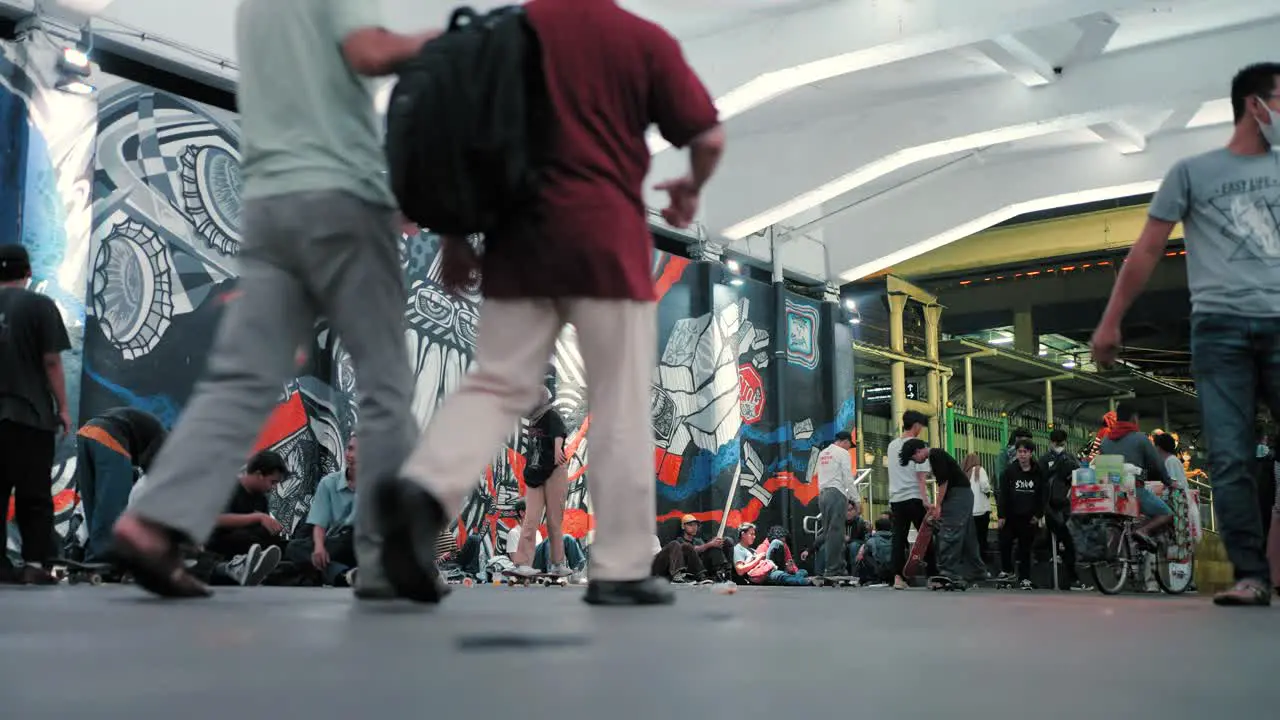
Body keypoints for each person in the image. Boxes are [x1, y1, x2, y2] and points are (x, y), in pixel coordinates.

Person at [373, 0, 725, 607]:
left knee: (497, 383)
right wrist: (688, 189)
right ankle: (618, 568)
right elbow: (708, 135)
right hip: (607, 242)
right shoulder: (640, 38)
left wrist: (456, 235)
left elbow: (468, 138)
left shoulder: (509, 28)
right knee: (618, 401)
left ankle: (424, 492)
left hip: (519, 239)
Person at [111, 0, 438, 599]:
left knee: (242, 378)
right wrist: (443, 40)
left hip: (269, 203)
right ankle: (387, 559)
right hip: (341, 199)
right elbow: (367, 52)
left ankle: (154, 521)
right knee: (386, 385)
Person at [1091, 63, 1280, 606]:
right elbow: (1146, 249)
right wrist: (1111, 318)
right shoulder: (1193, 172)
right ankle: (1251, 575)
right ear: (1255, 105)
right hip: (1218, 330)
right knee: (1229, 454)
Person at [0, 244, 71, 585]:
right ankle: (34, 565)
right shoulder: (41, 306)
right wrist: (64, 407)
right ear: (27, 272)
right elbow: (52, 361)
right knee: (34, 495)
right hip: (30, 416)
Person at [75, 407, 167, 563]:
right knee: (112, 504)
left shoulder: (150, 429)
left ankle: (92, 554)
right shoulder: (164, 440)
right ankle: (105, 557)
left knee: (92, 503)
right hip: (110, 437)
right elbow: (152, 475)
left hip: (85, 432)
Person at [508, 387, 574, 578]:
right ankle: (521, 564)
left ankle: (557, 563)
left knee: (554, 520)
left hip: (554, 470)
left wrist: (557, 449)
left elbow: (559, 432)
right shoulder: (533, 419)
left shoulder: (550, 414)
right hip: (535, 474)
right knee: (530, 518)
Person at [906, 441, 986, 584]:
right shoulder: (938, 455)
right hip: (964, 495)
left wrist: (938, 506)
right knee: (968, 535)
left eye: (914, 458)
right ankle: (977, 570)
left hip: (957, 496)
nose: (916, 462)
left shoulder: (935, 455)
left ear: (918, 451)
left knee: (950, 531)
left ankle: (948, 571)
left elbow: (943, 482)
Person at [1097, 403, 1173, 548]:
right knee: (1166, 513)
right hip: (1133, 491)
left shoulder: (1106, 440)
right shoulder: (1140, 439)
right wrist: (1168, 481)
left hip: (1109, 492)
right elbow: (1156, 464)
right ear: (1133, 418)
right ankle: (1143, 531)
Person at [286, 435, 359, 587]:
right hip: (335, 544)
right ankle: (344, 575)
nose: (352, 455)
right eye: (350, 449)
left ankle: (337, 574)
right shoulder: (329, 483)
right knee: (294, 547)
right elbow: (319, 523)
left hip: (361, 543)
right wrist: (319, 547)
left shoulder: (377, 484)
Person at [886, 410, 935, 589]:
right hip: (914, 496)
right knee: (926, 537)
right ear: (916, 425)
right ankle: (932, 576)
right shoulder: (918, 445)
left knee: (898, 538)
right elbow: (921, 477)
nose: (921, 429)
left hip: (896, 498)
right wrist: (926, 500)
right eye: (921, 426)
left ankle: (897, 578)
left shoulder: (892, 446)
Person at [1040, 429, 1085, 589]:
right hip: (1064, 509)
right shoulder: (1070, 458)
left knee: (1066, 539)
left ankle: (1065, 568)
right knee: (1069, 539)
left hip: (1055, 509)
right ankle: (1072, 578)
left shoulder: (1045, 459)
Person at [998, 438, 1045, 590]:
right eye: (1020, 452)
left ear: (1031, 453)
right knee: (1005, 543)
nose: (1022, 455)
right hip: (1011, 516)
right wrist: (1001, 515)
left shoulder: (1039, 472)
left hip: (1029, 517)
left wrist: (1038, 514)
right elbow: (1003, 494)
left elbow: (1043, 495)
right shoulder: (1009, 472)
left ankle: (1025, 578)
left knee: (1025, 548)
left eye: (1025, 452)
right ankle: (1007, 571)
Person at [815, 430, 860, 577]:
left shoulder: (823, 453)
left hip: (823, 494)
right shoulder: (842, 453)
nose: (848, 449)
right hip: (836, 493)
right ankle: (833, 569)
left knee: (829, 533)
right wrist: (856, 499)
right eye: (849, 445)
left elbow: (817, 475)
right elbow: (848, 477)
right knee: (837, 532)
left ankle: (837, 567)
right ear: (845, 441)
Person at [651, 515, 728, 584]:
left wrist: (714, 544)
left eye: (696, 525)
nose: (694, 527)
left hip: (700, 566)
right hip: (686, 568)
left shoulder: (699, 540)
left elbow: (704, 551)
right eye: (690, 525)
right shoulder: (679, 541)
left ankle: (721, 573)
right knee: (686, 546)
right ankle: (683, 575)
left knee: (717, 546)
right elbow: (695, 549)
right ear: (683, 527)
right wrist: (709, 544)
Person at [962, 452, 993, 566]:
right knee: (982, 537)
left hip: (970, 512)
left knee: (972, 538)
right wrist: (988, 491)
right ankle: (982, 560)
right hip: (982, 510)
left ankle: (971, 561)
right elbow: (985, 486)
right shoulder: (979, 470)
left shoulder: (965, 473)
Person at [854, 516, 894, 586]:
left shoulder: (871, 541)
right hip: (892, 572)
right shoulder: (895, 540)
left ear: (876, 528)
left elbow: (861, 557)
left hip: (877, 572)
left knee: (864, 555)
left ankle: (870, 578)